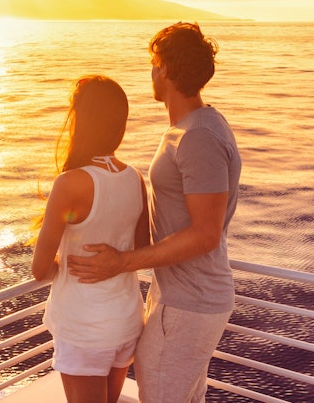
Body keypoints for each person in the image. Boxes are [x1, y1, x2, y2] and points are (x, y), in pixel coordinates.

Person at [67, 22, 241, 403]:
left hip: (189, 302)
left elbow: (206, 233)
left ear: (165, 69)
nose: (150, 72)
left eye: (153, 63)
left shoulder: (197, 137)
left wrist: (122, 262)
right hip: (179, 295)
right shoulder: (195, 126)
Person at [31, 75, 151, 403]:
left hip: (86, 328)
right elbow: (140, 251)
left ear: (80, 120)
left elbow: (40, 269)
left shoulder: (70, 183)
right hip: (125, 321)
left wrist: (65, 263)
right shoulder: (134, 178)